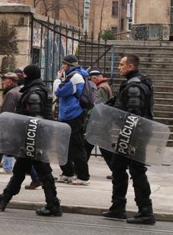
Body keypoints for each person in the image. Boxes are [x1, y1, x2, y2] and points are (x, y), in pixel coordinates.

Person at [0, 64, 62, 217]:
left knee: (43, 172)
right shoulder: (35, 90)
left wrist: (26, 138)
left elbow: (34, 118)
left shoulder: (34, 93)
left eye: (25, 74)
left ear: (29, 76)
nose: (23, 77)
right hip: (32, 138)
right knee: (20, 170)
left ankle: (53, 204)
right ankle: (4, 198)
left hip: (33, 139)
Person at [101, 53, 156, 225]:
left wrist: (125, 131)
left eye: (121, 64)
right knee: (118, 167)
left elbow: (134, 113)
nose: (118, 67)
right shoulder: (133, 83)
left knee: (137, 171)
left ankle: (146, 211)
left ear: (130, 66)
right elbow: (117, 103)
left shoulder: (134, 87)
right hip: (130, 133)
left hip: (134, 134)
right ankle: (118, 208)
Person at [53, 54, 90, 185]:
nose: (62, 66)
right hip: (68, 115)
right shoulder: (72, 76)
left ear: (69, 65)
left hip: (73, 116)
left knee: (77, 147)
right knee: (63, 146)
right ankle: (68, 173)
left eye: (64, 64)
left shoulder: (76, 77)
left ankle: (83, 176)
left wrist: (57, 80)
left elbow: (59, 92)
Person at [85, 67, 114, 175]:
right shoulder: (105, 86)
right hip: (102, 123)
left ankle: (116, 171)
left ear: (95, 78)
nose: (89, 82)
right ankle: (79, 170)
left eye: (90, 79)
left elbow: (99, 106)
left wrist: (89, 114)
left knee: (99, 148)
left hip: (99, 123)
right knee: (89, 146)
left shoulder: (101, 88)